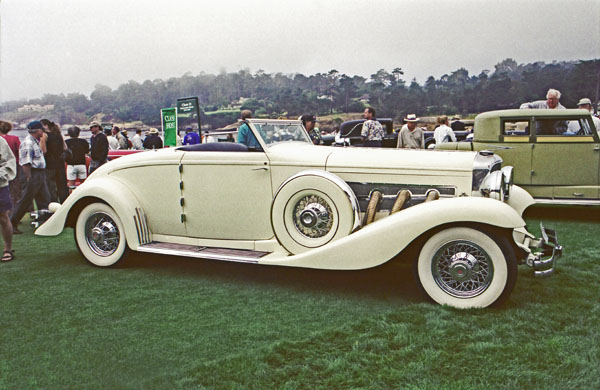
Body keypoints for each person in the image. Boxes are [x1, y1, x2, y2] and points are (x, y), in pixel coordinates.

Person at [10, 121, 51, 234]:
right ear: (37, 131)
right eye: (42, 130)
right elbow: (26, 163)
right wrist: (28, 178)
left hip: (39, 173)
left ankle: (44, 222)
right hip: (32, 173)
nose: (43, 131)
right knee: (25, 200)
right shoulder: (28, 143)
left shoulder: (35, 141)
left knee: (45, 199)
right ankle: (12, 223)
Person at [40, 119, 69, 203]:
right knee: (62, 186)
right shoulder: (58, 134)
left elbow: (43, 150)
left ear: (45, 126)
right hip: (60, 163)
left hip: (49, 164)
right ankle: (65, 203)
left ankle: (54, 204)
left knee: (51, 187)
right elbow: (65, 148)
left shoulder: (44, 135)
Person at [0, 136, 17, 261]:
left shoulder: (0, 141)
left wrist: (1, 174)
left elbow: (9, 162)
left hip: (0, 185)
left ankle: (8, 249)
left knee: (3, 216)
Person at [0, 121, 22, 205]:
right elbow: (20, 152)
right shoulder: (14, 138)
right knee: (15, 188)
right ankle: (14, 204)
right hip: (14, 166)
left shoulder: (2, 140)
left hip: (4, 168)